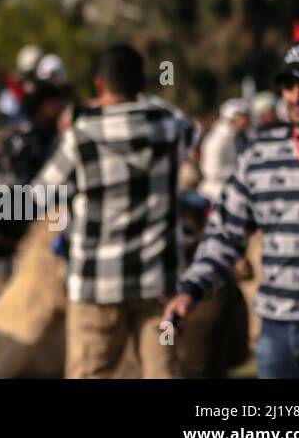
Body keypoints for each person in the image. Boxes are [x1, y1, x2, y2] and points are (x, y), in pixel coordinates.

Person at [165, 35, 299, 378]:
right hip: (275, 325)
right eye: (288, 86)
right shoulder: (260, 155)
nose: (295, 96)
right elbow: (225, 232)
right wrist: (191, 289)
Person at [31, 43, 195, 378]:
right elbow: (186, 124)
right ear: (144, 87)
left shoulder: (80, 137)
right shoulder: (170, 129)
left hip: (94, 288)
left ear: (99, 85)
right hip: (157, 285)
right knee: (163, 372)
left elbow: (39, 196)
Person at [197, 98, 251, 202]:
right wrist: (241, 172)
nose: (248, 120)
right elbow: (212, 171)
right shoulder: (218, 140)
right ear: (233, 118)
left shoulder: (239, 136)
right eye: (244, 116)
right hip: (217, 192)